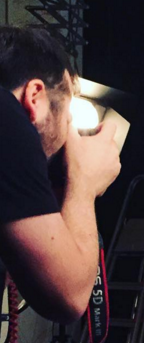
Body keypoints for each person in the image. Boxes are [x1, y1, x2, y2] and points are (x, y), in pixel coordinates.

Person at [0, 26, 120, 323]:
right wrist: (84, 182)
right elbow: (70, 297)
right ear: (35, 97)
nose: (69, 128)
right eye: (67, 115)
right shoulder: (7, 119)